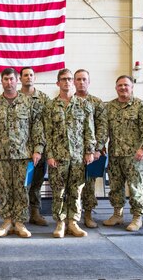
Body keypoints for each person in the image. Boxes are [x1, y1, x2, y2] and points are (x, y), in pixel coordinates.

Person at [0, 67, 45, 238]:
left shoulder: (28, 103)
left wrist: (37, 150)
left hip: (23, 155)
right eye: (5, 79)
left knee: (22, 190)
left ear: (17, 80)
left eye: (12, 79)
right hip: (1, 156)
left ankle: (20, 222)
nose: (9, 82)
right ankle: (7, 221)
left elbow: (37, 128)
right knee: (4, 189)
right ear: (1, 81)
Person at [45, 68, 96, 238]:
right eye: (63, 79)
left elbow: (89, 131)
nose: (67, 82)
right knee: (59, 191)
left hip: (78, 156)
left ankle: (73, 222)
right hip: (58, 157)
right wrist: (50, 154)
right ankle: (60, 223)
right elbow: (47, 133)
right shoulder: (50, 106)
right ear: (58, 83)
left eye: (69, 79)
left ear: (73, 82)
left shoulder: (84, 105)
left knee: (76, 190)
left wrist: (89, 151)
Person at [103, 75, 143, 231]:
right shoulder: (109, 107)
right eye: (120, 85)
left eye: (126, 85)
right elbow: (104, 130)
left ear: (132, 87)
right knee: (115, 185)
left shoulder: (142, 106)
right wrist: (100, 146)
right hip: (114, 154)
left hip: (134, 155)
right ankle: (117, 214)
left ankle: (137, 217)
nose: (123, 88)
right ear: (116, 88)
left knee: (134, 187)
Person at [73, 69, 108, 228]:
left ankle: (87, 215)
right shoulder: (68, 101)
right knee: (72, 185)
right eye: (78, 79)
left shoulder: (96, 102)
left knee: (89, 184)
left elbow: (102, 127)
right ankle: (72, 217)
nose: (81, 82)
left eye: (84, 79)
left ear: (89, 82)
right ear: (74, 82)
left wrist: (97, 149)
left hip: (91, 152)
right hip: (71, 152)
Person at [18, 66, 50, 227]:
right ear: (20, 78)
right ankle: (21, 215)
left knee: (36, 183)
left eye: (31, 75)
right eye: (25, 75)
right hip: (20, 150)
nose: (28, 77)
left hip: (40, 148)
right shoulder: (15, 99)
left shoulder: (44, 99)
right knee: (22, 184)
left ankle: (35, 212)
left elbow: (49, 125)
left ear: (34, 78)